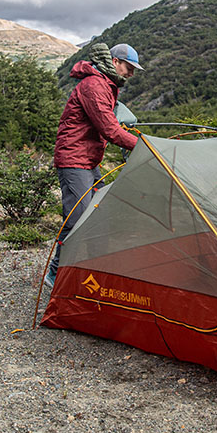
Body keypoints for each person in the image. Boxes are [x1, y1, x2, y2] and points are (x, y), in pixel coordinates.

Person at [45, 42, 142, 289]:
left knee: (96, 212)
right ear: (115, 62)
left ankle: (89, 267)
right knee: (78, 218)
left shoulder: (105, 84)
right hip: (74, 160)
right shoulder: (95, 85)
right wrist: (142, 145)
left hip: (88, 160)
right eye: (128, 67)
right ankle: (55, 275)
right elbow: (109, 129)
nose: (131, 74)